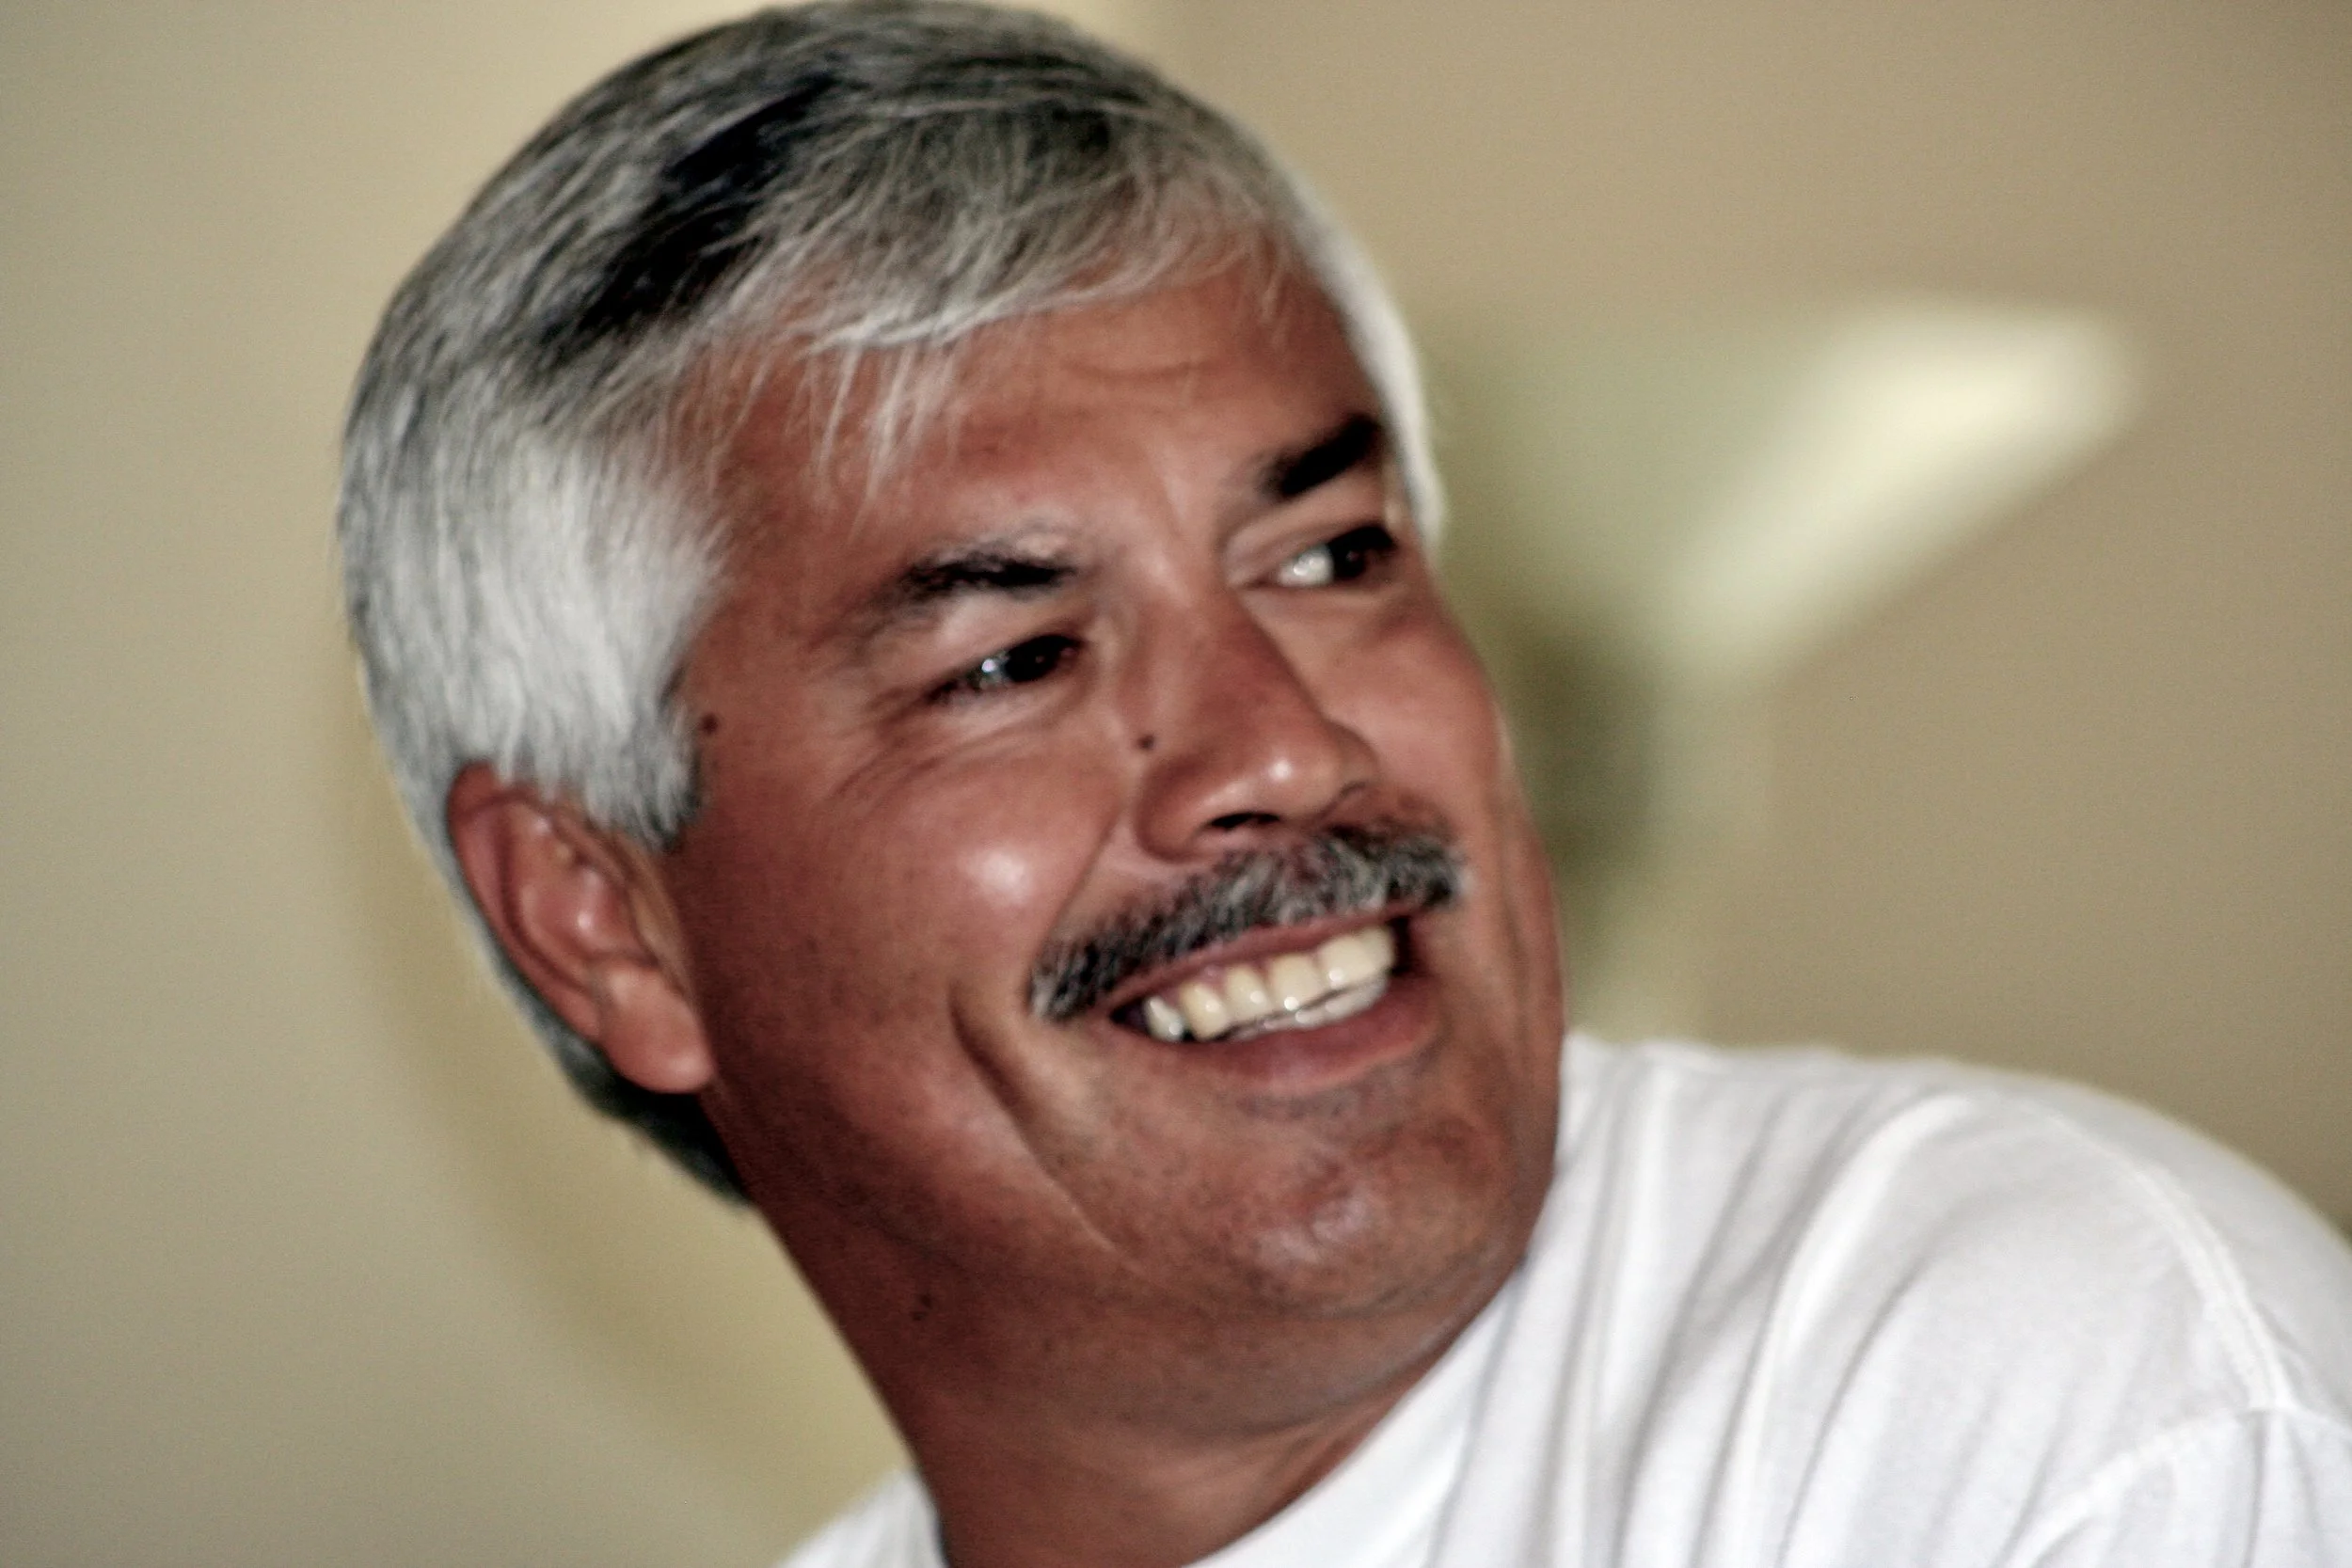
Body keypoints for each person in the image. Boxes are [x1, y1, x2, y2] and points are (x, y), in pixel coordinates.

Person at [337, 4, 2352, 1564]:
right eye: (1013, 656)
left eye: (1328, 557)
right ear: (603, 915)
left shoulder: (2035, 1382)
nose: (1282, 743)